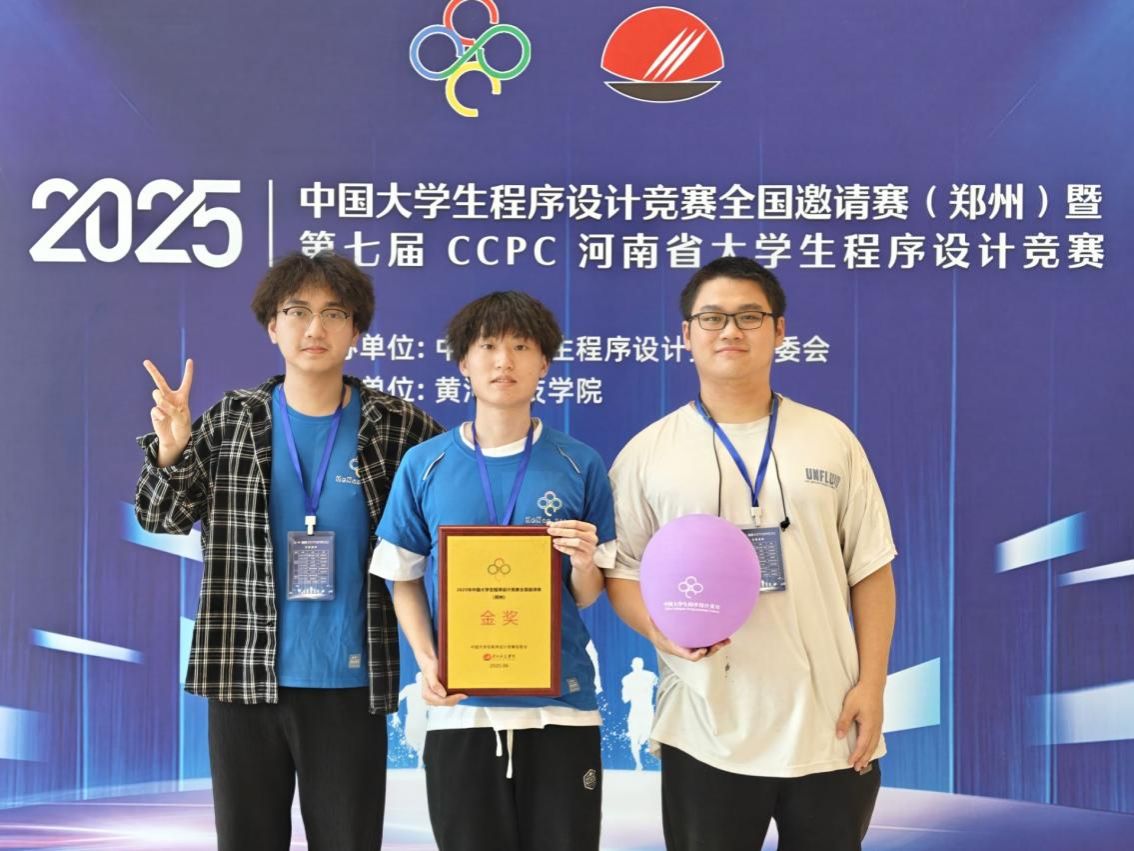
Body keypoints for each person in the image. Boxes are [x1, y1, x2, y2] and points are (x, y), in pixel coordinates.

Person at [135, 251, 442, 850]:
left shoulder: (397, 426)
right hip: (243, 676)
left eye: (334, 313)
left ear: (356, 329)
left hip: (350, 682)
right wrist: (171, 449)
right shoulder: (233, 420)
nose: (314, 328)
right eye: (297, 312)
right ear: (273, 327)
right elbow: (160, 516)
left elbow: (452, 520)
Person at [605, 256, 897, 851]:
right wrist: (661, 634)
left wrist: (872, 686)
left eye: (749, 316)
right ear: (686, 334)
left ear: (779, 330)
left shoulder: (831, 439)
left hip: (829, 722)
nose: (730, 331)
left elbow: (871, 569)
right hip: (704, 725)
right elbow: (623, 573)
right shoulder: (648, 453)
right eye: (712, 318)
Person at [369, 291, 615, 851]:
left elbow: (585, 594)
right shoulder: (425, 463)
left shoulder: (580, 462)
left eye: (521, 347)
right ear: (464, 362)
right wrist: (430, 661)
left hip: (561, 707)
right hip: (461, 711)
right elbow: (401, 574)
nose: (504, 361)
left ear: (544, 363)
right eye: (488, 347)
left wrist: (583, 562)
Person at [621, 657, 658, 771]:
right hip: (636, 711)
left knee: (646, 735)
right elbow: (625, 698)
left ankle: (642, 742)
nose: (637, 666)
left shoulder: (650, 676)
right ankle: (638, 764)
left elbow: (659, 685)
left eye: (639, 664)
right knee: (634, 739)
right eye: (636, 664)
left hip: (647, 711)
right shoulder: (627, 679)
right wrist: (633, 691)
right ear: (633, 666)